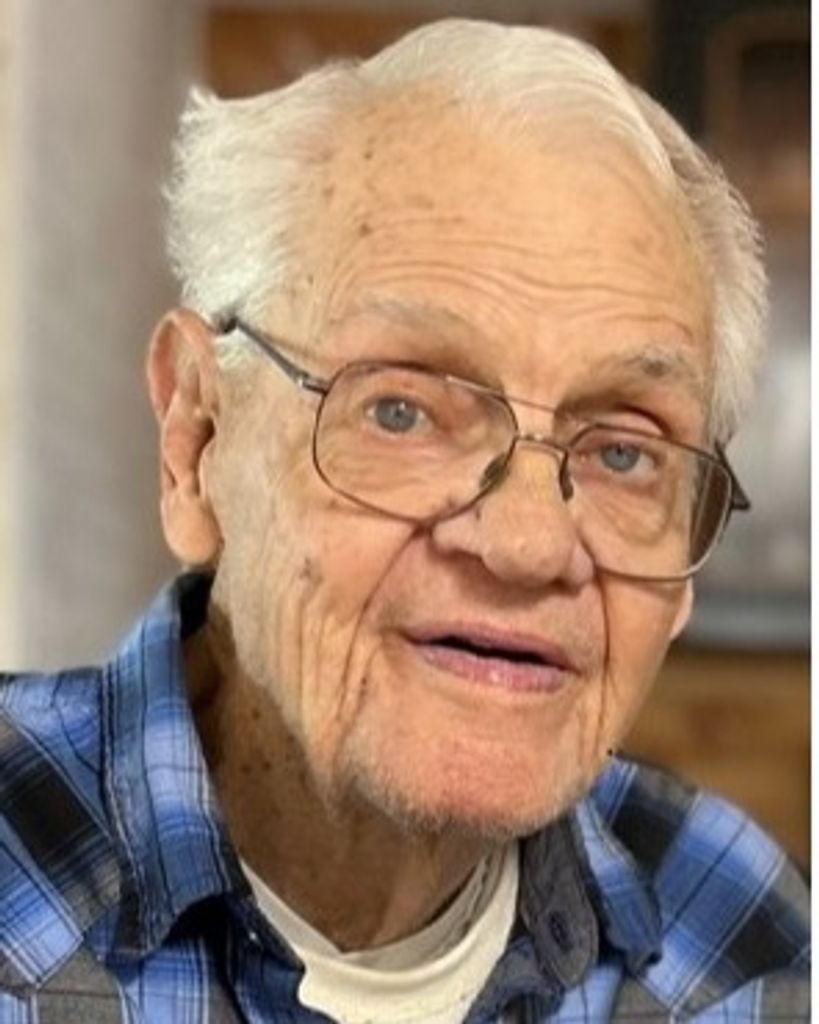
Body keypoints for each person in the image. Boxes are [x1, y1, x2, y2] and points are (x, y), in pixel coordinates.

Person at [0, 18, 809, 1024]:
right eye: (402, 411)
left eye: (622, 453)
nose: (526, 545)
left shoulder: (739, 941)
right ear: (196, 442)